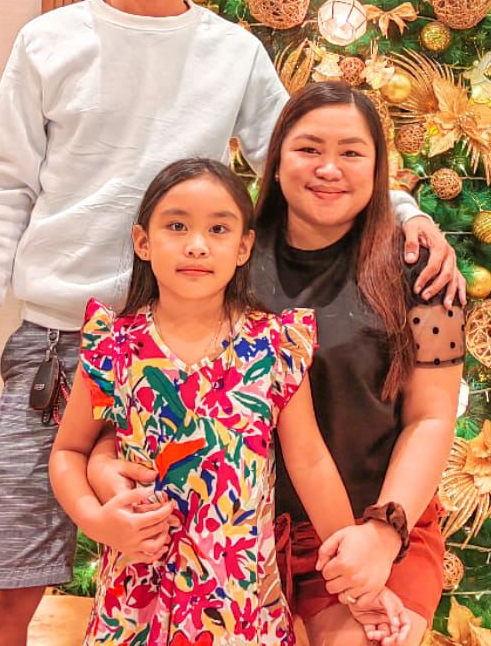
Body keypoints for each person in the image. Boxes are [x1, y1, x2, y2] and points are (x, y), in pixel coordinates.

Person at [0, 0, 464, 644]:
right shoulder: (49, 42)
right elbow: (5, 186)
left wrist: (405, 210)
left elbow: (300, 147)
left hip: (193, 348)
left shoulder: (232, 52)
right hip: (62, 347)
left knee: (192, 588)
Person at [92, 83, 465, 646]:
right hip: (226, 530)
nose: (329, 169)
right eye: (309, 148)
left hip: (365, 521)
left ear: (378, 164)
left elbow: (432, 418)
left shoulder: (426, 275)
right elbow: (147, 375)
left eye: (352, 152)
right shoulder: (227, 253)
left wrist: (383, 534)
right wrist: (105, 468)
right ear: (275, 156)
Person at [50, 157, 409, 646]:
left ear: (244, 247)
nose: (197, 244)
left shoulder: (273, 346)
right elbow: (69, 452)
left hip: (241, 609)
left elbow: (309, 461)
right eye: (177, 226)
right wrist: (97, 522)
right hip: (134, 605)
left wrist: (357, 579)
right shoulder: (112, 342)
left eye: (218, 229)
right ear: (143, 242)